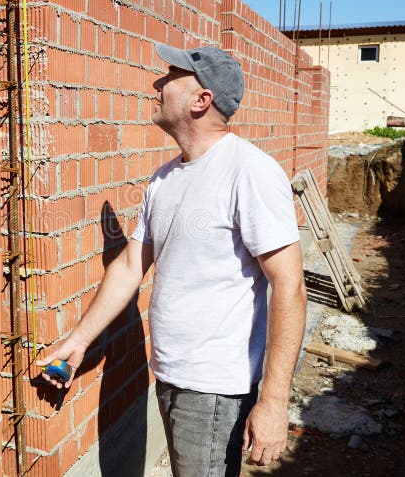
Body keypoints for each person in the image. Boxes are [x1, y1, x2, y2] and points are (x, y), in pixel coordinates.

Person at [37, 44, 307, 477]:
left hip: (215, 388)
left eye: (170, 76)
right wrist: (80, 340)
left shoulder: (249, 172)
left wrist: (273, 402)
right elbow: (129, 267)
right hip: (169, 373)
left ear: (201, 101)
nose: (157, 84)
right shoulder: (164, 179)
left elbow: (290, 286)